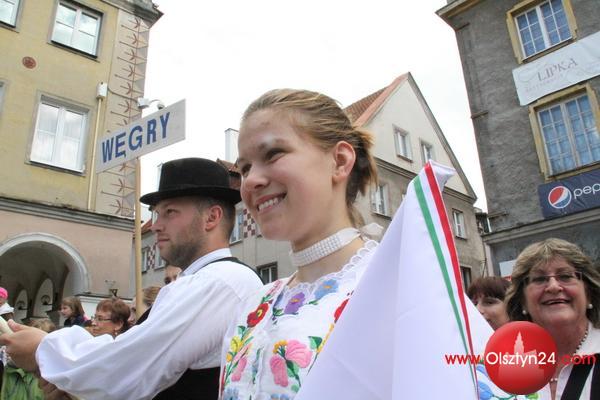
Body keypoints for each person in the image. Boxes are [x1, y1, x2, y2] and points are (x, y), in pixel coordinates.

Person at [0, 158, 263, 400]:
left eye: (170, 212)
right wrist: (70, 380)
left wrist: (42, 349)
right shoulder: (214, 280)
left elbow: (125, 367)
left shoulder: (218, 282)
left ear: (211, 217)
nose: (156, 225)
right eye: (156, 214)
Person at [220, 88, 379, 399]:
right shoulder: (253, 307)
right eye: (245, 168)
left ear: (340, 161)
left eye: (273, 154)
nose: (250, 181)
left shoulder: (399, 290)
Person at [505, 238, 600, 400]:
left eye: (565, 276)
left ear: (588, 294)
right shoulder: (503, 365)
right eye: (539, 279)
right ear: (523, 301)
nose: (553, 287)